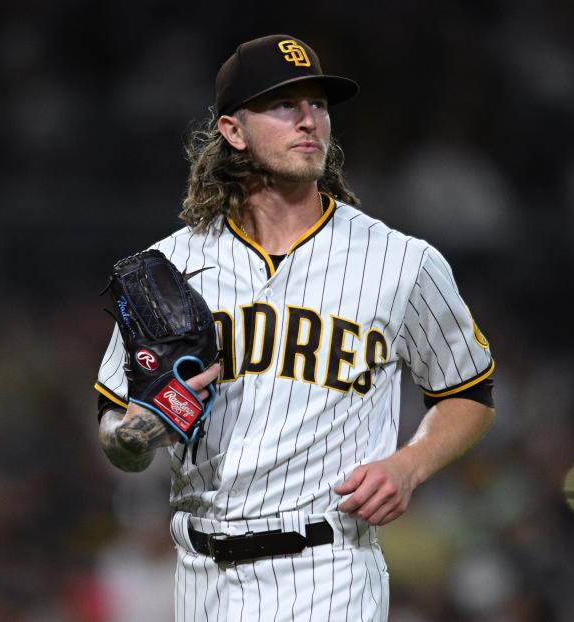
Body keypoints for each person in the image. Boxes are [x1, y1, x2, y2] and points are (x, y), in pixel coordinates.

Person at [94, 34, 495, 621]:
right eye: (284, 105)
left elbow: (469, 392)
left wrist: (409, 466)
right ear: (233, 130)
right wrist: (139, 431)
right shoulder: (170, 270)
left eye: (319, 104)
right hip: (201, 581)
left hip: (329, 569)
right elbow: (115, 432)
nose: (309, 120)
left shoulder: (400, 261)